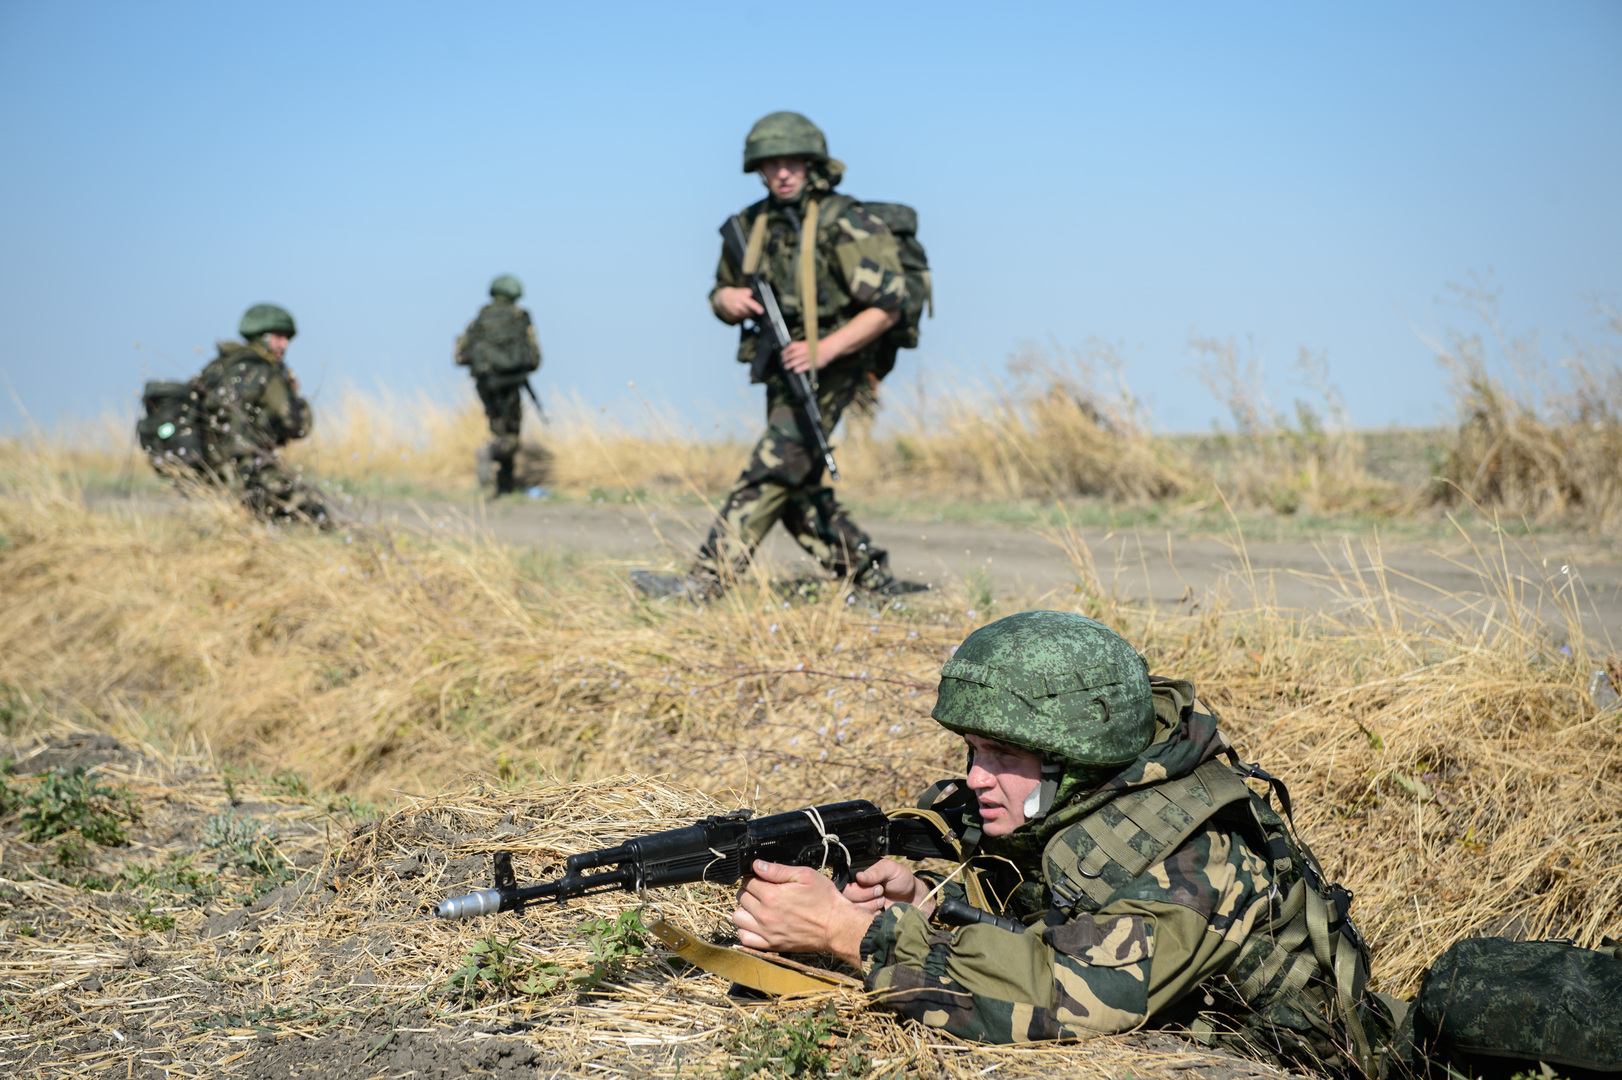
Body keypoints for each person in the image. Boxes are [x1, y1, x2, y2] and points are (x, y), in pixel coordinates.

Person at [733, 610, 1398, 1076]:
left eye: (1001, 754)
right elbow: (1053, 904)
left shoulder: (1195, 853)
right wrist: (933, 899)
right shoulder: (1088, 803)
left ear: (1074, 758)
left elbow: (1072, 996)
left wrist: (848, 935)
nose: (974, 776)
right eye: (971, 749)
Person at [634, 111, 915, 599]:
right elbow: (721, 291)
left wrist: (824, 348)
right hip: (782, 365)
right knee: (795, 485)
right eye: (772, 164)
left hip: (836, 362)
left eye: (792, 163)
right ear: (758, 169)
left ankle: (705, 583)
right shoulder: (750, 225)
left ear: (811, 164)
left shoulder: (844, 220)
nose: (782, 173)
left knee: (771, 468)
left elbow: (888, 306)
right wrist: (725, 301)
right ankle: (872, 579)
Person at [193, 302, 325, 524]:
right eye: (279, 336)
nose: (285, 343)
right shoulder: (265, 372)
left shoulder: (218, 367)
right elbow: (297, 425)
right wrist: (296, 397)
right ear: (262, 336)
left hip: (209, 470)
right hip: (251, 470)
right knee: (315, 517)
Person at [455, 274, 542, 496]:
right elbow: (534, 358)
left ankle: (504, 486)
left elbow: (459, 356)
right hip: (512, 384)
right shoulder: (520, 318)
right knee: (511, 433)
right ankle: (493, 459)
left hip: (486, 384)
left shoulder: (478, 320)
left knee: (498, 429)